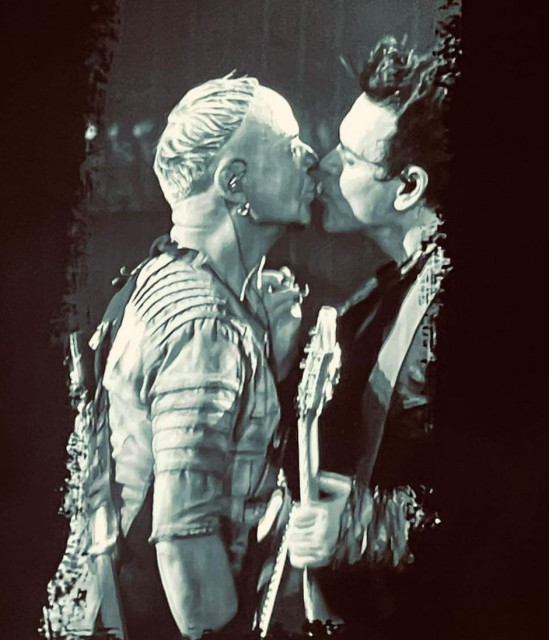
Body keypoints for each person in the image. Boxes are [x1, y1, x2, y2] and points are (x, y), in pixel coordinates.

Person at [56, 74, 317, 640]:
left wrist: (270, 359)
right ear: (234, 181)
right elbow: (185, 542)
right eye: (289, 144)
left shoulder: (163, 276)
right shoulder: (206, 323)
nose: (310, 156)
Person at [287, 36, 453, 636]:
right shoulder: (390, 289)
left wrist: (360, 526)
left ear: (407, 187)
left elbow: (506, 500)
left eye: (351, 159)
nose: (326, 165)